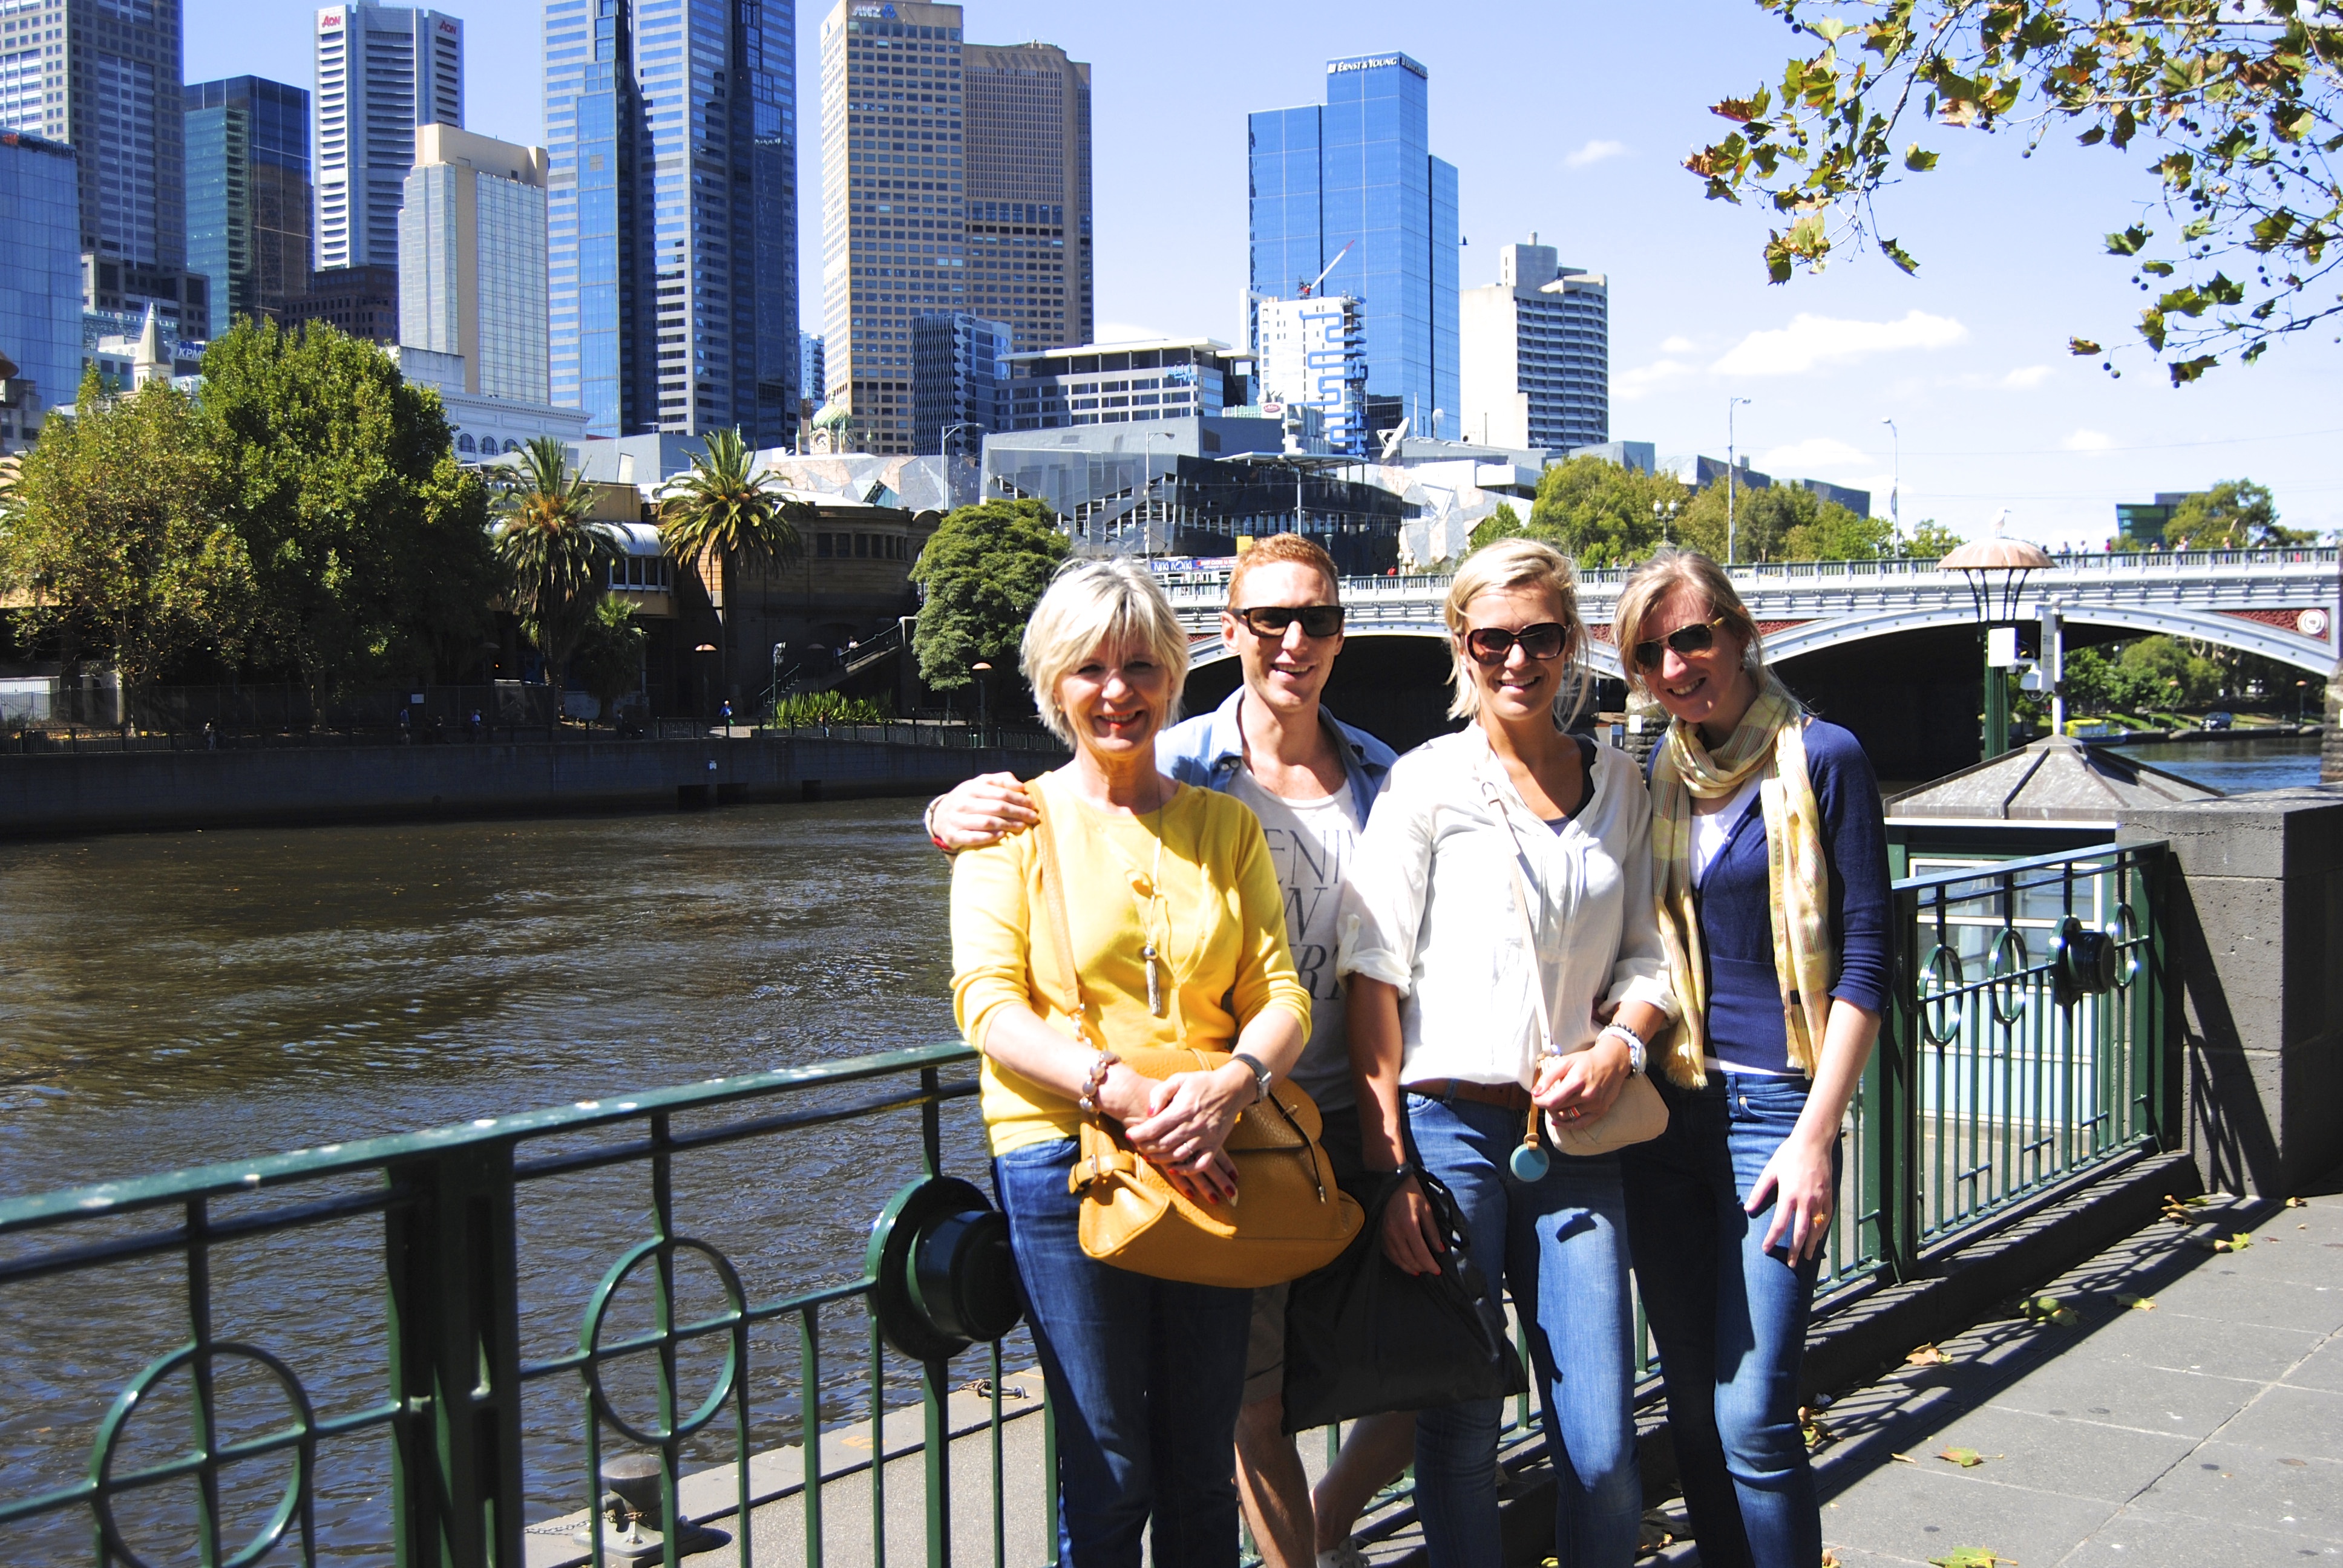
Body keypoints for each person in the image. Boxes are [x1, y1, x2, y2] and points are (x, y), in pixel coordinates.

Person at [928, 535, 1416, 1568]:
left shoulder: (1222, 826)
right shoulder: (1012, 823)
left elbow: (1280, 993)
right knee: (1110, 1467)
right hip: (1067, 1153)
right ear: (1053, 684)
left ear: (1174, 674)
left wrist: (1232, 1086)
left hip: (1214, 1147)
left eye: (1142, 665)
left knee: (1200, 1461)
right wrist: (1121, 1090)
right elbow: (987, 1005)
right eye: (1091, 669)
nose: (1119, 691)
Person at [1339, 538, 1677, 1568]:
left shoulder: (1624, 786)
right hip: (1448, 1134)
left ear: (1572, 643)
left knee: (1604, 1447)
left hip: (1579, 1134)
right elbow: (1371, 974)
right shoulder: (1426, 785)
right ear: (1463, 645)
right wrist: (1392, 1168)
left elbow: (1652, 954)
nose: (1517, 660)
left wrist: (1619, 1047)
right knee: (1460, 1429)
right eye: (1493, 640)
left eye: (1540, 636)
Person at [1610, 549, 1890, 1568]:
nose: (1675, 668)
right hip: (1668, 1109)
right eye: (1650, 653)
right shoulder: (1656, 774)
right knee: (1690, 1408)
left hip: (1777, 1114)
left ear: (1739, 632)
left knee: (1754, 1417)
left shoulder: (1826, 758)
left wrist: (1818, 1135)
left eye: (1692, 638)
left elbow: (1867, 962)